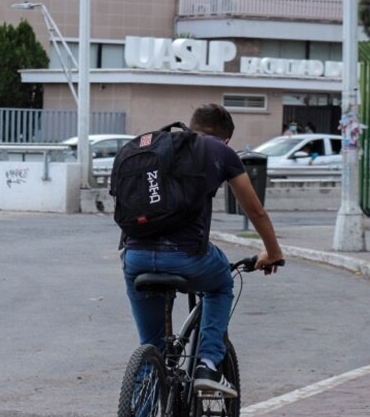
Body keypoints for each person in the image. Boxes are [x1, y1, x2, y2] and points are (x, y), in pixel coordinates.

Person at [121, 104, 284, 397]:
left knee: (152, 351)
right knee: (221, 283)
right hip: (187, 256)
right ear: (225, 138)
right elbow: (256, 211)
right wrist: (272, 253)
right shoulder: (219, 151)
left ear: (191, 125)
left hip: (135, 256)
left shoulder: (154, 145)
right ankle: (207, 364)